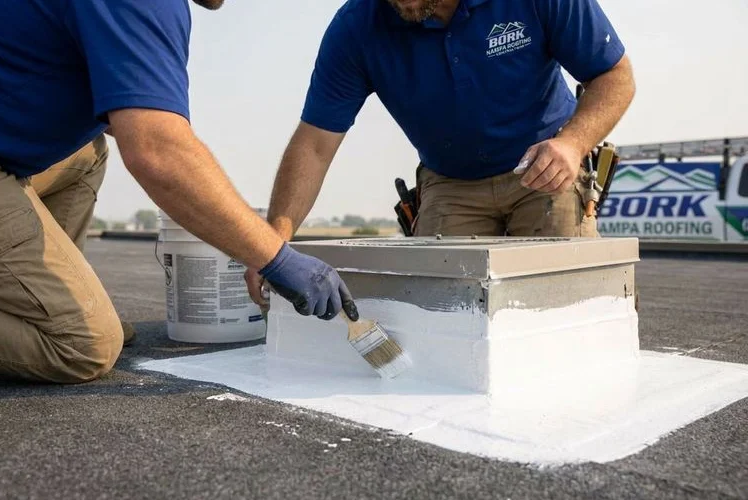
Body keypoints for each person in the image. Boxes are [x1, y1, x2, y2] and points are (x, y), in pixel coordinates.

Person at [0, 0, 357, 384]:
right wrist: (275, 258)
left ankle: (33, 301)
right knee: (83, 344)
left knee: (86, 154)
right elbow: (156, 151)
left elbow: (136, 123)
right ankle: (52, 318)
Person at [244, 0, 636, 307]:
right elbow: (314, 145)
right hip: (450, 182)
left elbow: (614, 77)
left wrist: (573, 143)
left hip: (545, 170)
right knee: (440, 313)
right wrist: (274, 244)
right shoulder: (355, 27)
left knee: (566, 302)